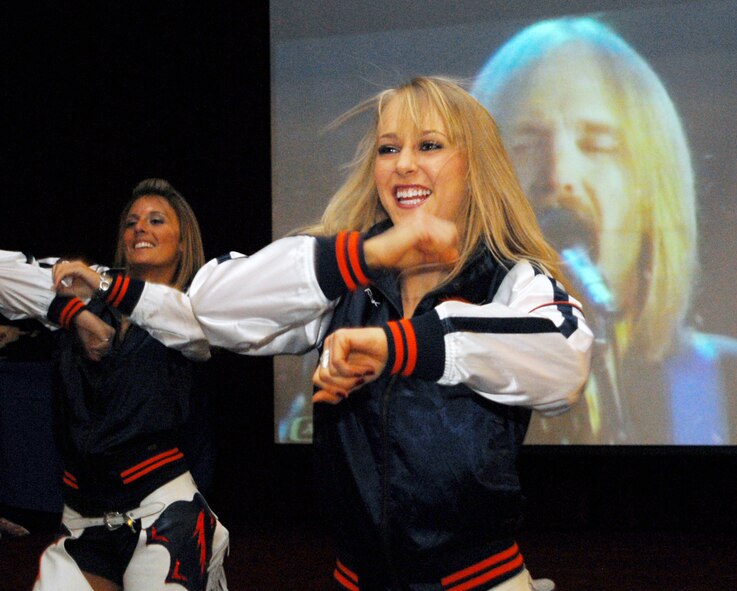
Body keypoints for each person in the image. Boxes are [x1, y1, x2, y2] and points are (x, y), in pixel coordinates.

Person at [49, 77, 592, 590]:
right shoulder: (349, 276)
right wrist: (365, 254)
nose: (403, 165)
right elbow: (208, 305)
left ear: (475, 166)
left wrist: (400, 345)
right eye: (387, 148)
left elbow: (563, 360)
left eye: (429, 145)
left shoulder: (509, 277)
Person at [470, 16, 737, 445]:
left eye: (597, 144)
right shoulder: (438, 381)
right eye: (525, 143)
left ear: (651, 185)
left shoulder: (724, 381)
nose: (560, 175)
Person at [0, 178, 228, 591]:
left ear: (182, 242)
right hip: (83, 518)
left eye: (155, 220)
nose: (140, 228)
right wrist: (73, 312)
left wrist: (104, 286)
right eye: (131, 222)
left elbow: (190, 330)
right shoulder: (87, 294)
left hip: (165, 516)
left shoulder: (195, 304)